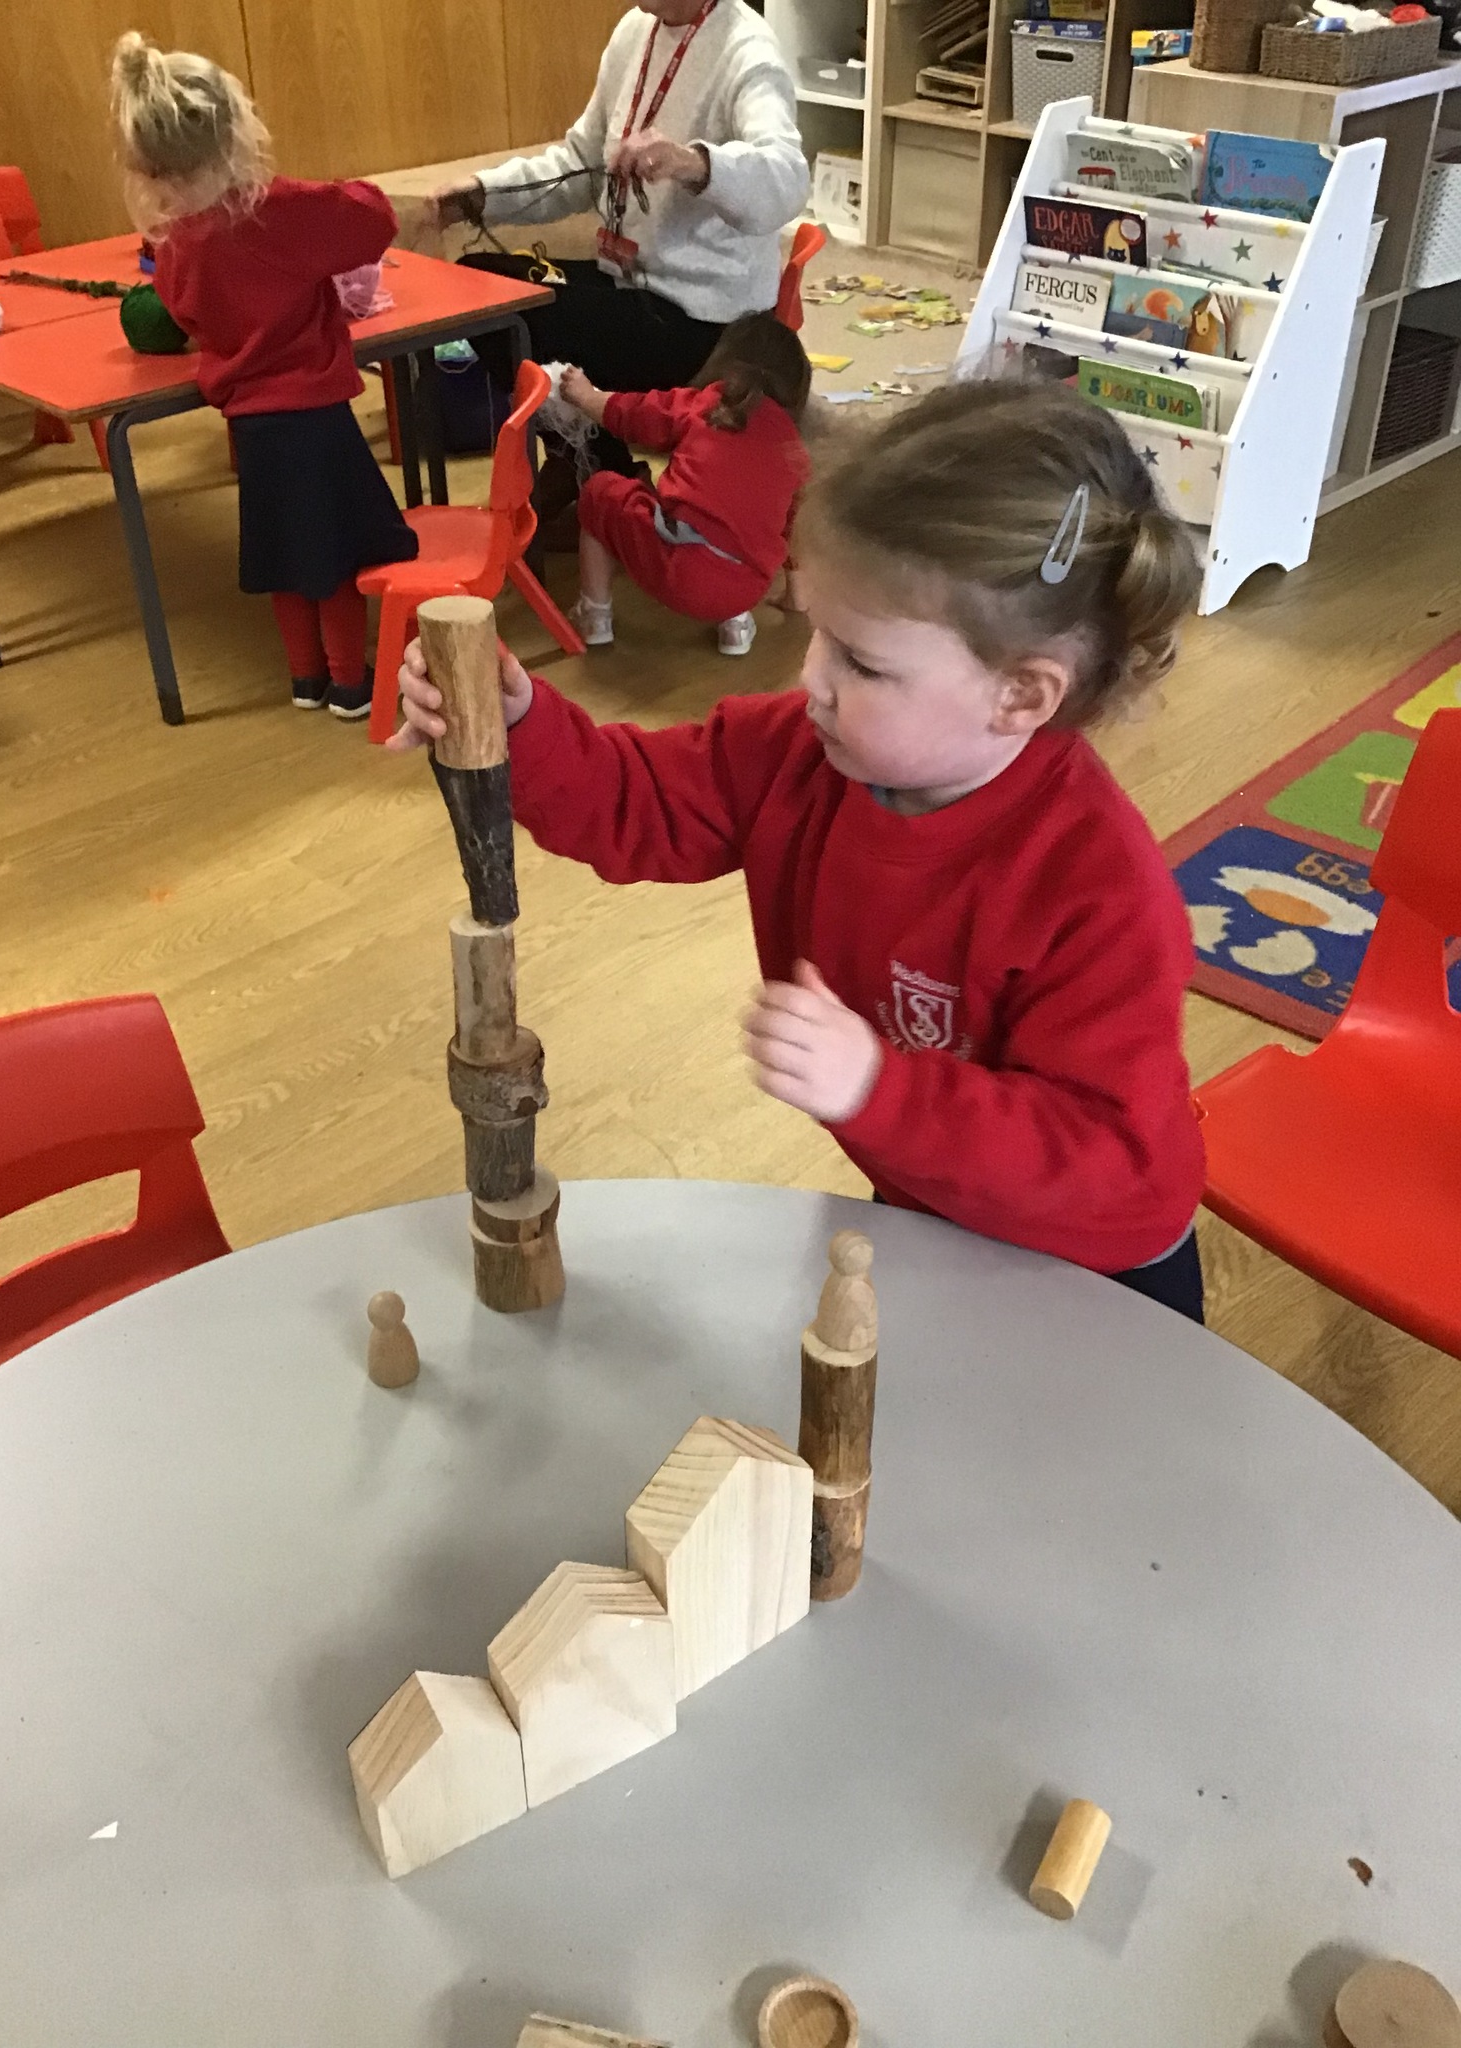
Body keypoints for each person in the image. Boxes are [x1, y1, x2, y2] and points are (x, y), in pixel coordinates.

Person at [390, 380, 1210, 1323]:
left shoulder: (1099, 893)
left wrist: (878, 1087)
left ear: (1021, 696)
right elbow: (637, 801)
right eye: (815, 628)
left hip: (1094, 1272)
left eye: (862, 662)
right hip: (929, 1210)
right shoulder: (800, 752)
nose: (811, 678)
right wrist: (521, 725)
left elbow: (1106, 1158)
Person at [111, 32, 416, 720]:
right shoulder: (275, 210)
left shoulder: (174, 239)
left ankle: (305, 678)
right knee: (337, 555)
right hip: (315, 415)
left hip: (251, 424)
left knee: (286, 552)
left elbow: (182, 315)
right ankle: (350, 684)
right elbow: (374, 217)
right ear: (233, 129)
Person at [431, 0, 809, 494]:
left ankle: (604, 480)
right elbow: (581, 162)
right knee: (481, 286)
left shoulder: (748, 47)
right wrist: (483, 195)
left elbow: (787, 178)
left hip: (706, 322)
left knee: (513, 317)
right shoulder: (636, 30)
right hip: (628, 282)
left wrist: (694, 163)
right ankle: (590, 467)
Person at [557, 310, 811, 656]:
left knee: (598, 492)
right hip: (747, 586)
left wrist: (586, 397)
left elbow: (637, 414)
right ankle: (735, 628)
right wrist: (796, 597)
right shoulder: (794, 450)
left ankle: (594, 617)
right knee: (745, 526)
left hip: (678, 569)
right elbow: (793, 531)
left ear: (726, 364)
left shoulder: (707, 403)